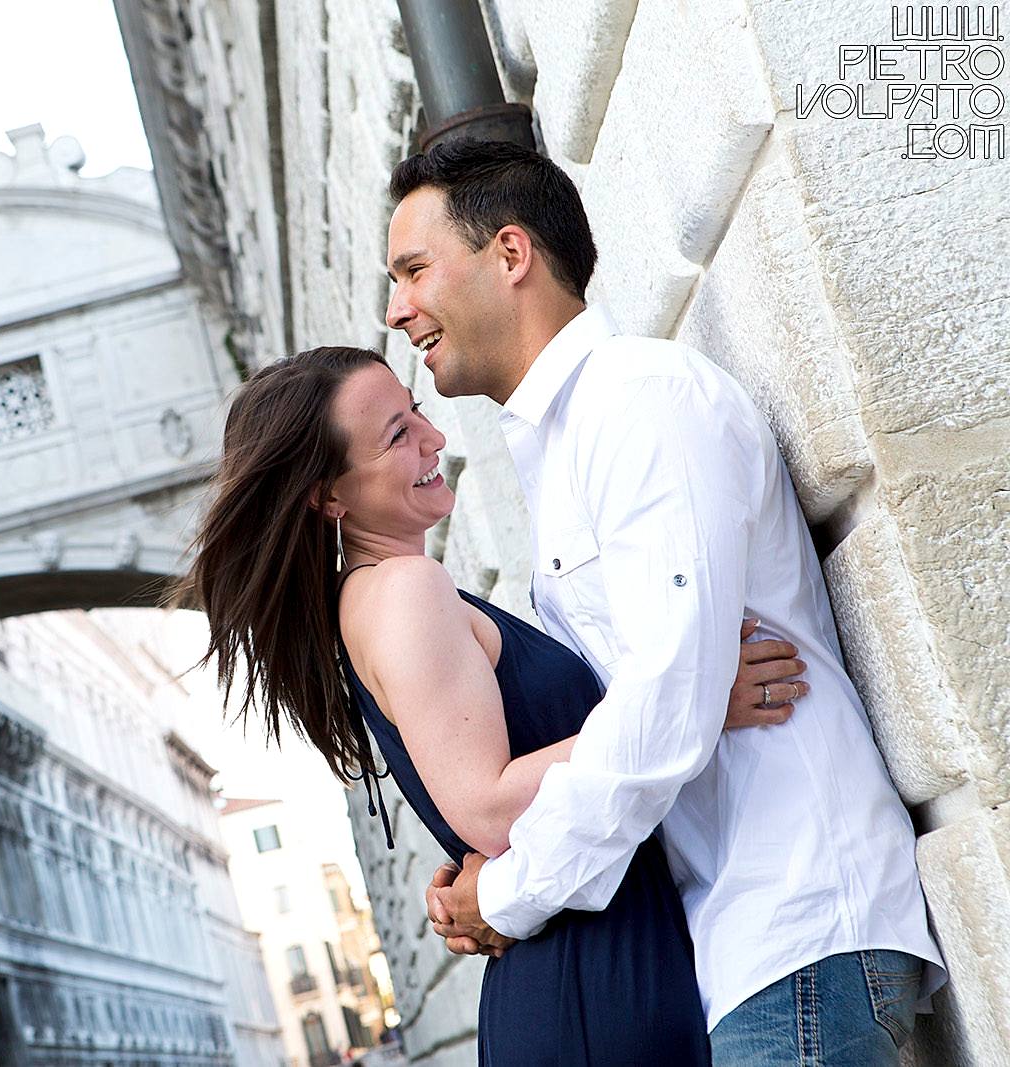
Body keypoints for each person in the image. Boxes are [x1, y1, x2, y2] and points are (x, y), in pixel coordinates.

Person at [383, 138, 945, 1064]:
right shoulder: (563, 449)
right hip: (734, 945)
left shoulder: (640, 402)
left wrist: (515, 891)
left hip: (795, 923)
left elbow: (667, 701)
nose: (396, 307)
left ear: (511, 255)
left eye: (414, 268)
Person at [178, 343, 811, 1063]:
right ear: (328, 496)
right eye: (396, 435)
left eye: (415, 412)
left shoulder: (375, 596)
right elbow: (488, 806)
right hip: (589, 985)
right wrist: (691, 698)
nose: (433, 438)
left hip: (593, 960)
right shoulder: (404, 590)